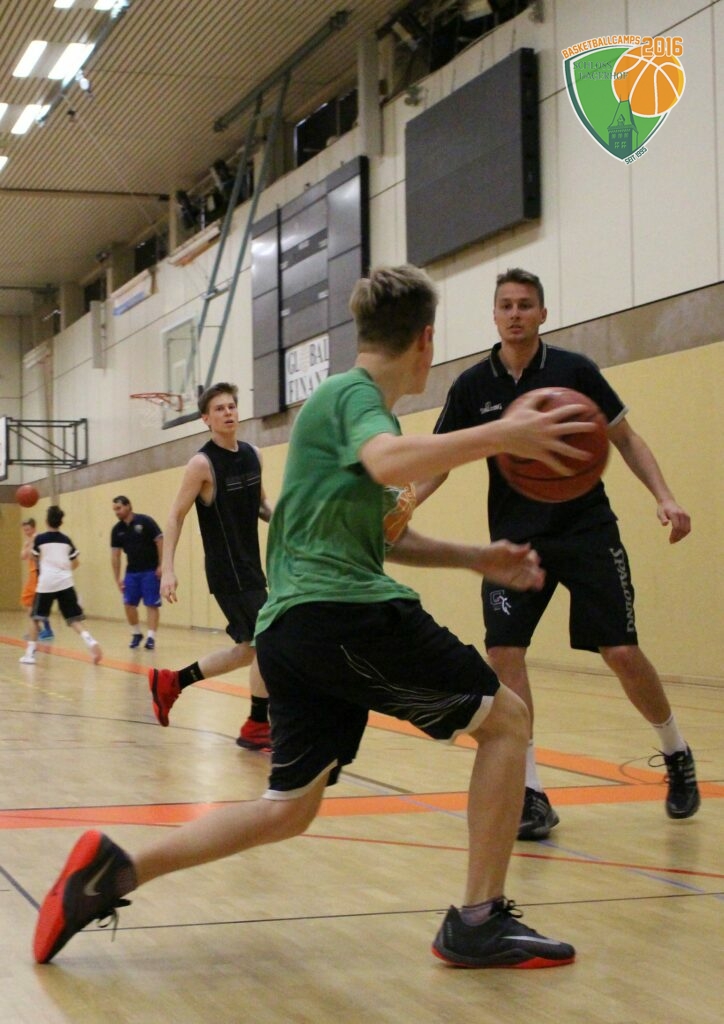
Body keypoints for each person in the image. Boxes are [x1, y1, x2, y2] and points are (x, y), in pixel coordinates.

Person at [33, 264, 594, 968]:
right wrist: (502, 434)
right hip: (342, 617)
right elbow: (388, 461)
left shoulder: (346, 410)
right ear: (426, 340)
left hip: (294, 632)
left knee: (288, 809)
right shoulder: (353, 398)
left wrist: (475, 557)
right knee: (507, 720)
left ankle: (111, 875)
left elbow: (384, 535)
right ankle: (478, 920)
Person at [419, 267, 700, 840]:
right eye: (506, 305)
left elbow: (625, 438)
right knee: (505, 653)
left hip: (586, 532)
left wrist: (665, 497)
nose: (515, 314)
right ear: (494, 315)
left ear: (543, 314)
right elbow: (440, 459)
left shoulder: (575, 372)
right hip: (515, 543)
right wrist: (402, 504)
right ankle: (530, 791)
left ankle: (675, 752)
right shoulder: (473, 386)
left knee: (621, 651)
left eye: (525, 305)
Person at [148, 382, 273, 750]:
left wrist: (292, 521)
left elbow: (262, 506)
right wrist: (168, 568)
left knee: (249, 650)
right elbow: (175, 516)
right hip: (227, 570)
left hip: (252, 567)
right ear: (206, 419)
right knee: (270, 640)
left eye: (232, 406)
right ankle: (257, 724)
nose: (228, 412)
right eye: (219, 408)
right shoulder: (202, 464)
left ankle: (172, 682)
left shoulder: (254, 455)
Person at [19, 505, 102, 666]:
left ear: (46, 521)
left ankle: (29, 655)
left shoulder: (40, 539)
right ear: (60, 522)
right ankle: (90, 641)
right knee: (74, 619)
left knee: (35, 618)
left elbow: (34, 558)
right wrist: (62, 569)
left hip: (46, 583)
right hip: (66, 582)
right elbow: (76, 563)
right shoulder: (66, 540)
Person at [110, 496, 163, 650]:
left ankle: (151, 637)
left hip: (150, 570)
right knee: (128, 604)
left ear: (128, 506)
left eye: (119, 508)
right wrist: (117, 578)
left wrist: (162, 565)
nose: (117, 512)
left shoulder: (145, 521)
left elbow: (160, 541)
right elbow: (115, 555)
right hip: (131, 573)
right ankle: (136, 633)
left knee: (151, 604)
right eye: (115, 509)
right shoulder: (117, 530)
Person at [20, 517, 54, 640]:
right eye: (24, 530)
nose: (26, 532)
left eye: (28, 529)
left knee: (37, 602)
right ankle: (38, 629)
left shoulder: (38, 539)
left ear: (34, 528)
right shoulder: (29, 541)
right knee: (28, 601)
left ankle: (46, 630)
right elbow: (23, 556)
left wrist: (29, 545)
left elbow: (31, 555)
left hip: (39, 573)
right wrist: (27, 545)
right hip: (32, 574)